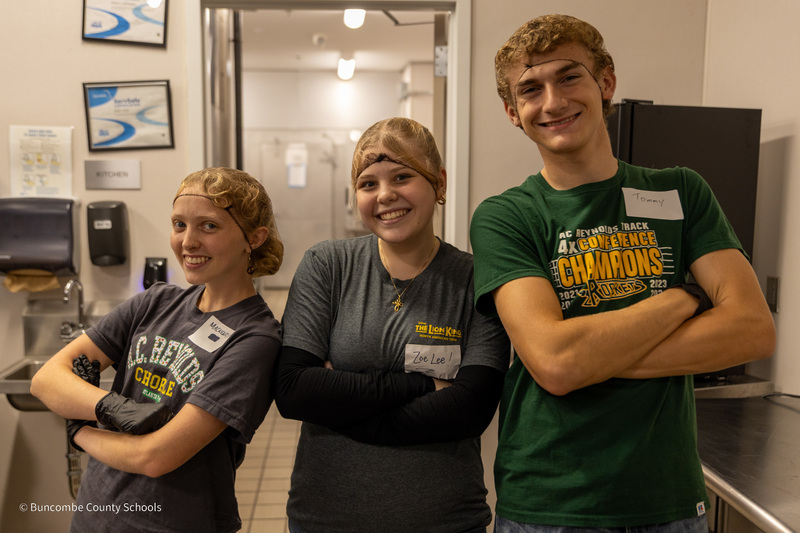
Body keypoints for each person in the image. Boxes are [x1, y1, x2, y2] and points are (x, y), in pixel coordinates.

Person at [469, 14, 776, 533]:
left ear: (605, 81)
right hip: (551, 503)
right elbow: (556, 363)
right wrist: (684, 298)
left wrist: (592, 354)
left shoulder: (683, 191)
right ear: (512, 112)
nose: (553, 102)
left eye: (570, 76)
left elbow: (752, 329)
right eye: (530, 89)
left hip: (669, 499)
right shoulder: (506, 216)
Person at [274, 117, 511, 533]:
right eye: (368, 184)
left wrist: (340, 403)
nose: (385, 195)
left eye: (402, 176)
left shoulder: (477, 280)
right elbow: (294, 392)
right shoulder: (327, 266)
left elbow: (471, 410)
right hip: (325, 518)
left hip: (446, 521)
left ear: (439, 183)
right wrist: (420, 386)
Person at [31, 167, 284, 533]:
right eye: (179, 225)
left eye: (209, 226)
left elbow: (156, 457)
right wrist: (109, 406)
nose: (188, 241)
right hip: (94, 514)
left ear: (253, 238)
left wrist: (80, 431)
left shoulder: (255, 338)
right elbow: (46, 380)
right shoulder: (155, 302)